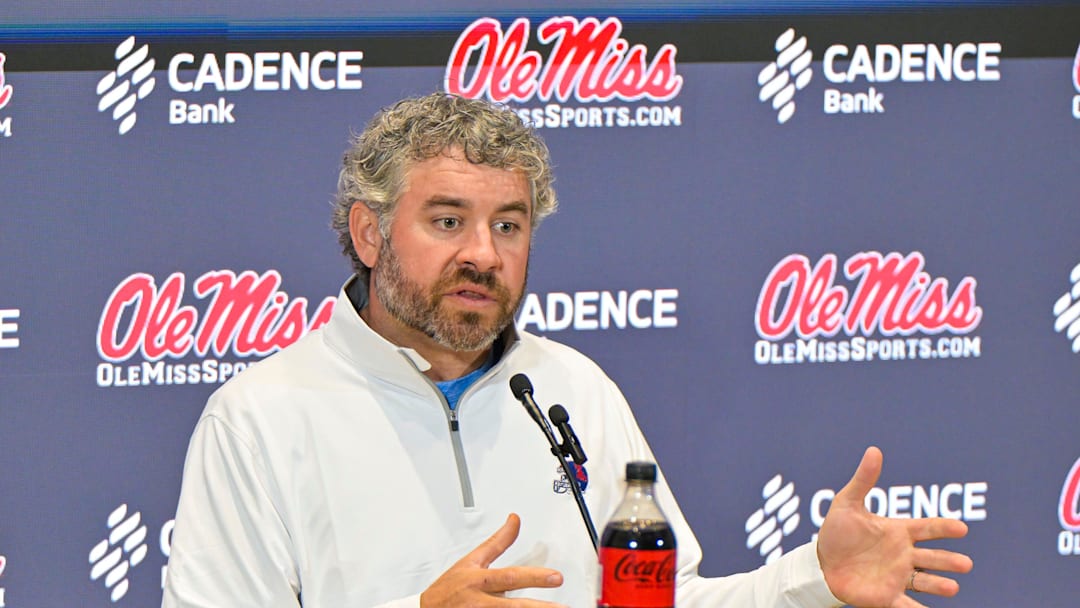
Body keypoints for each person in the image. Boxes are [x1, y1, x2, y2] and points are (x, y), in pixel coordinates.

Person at [161, 93, 972, 608]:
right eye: (447, 221)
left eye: (508, 225)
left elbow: (666, 601)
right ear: (369, 233)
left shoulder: (569, 387)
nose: (483, 253)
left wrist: (812, 583)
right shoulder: (260, 418)